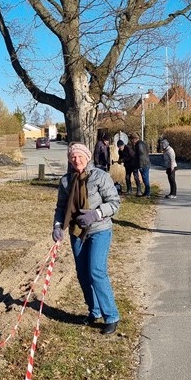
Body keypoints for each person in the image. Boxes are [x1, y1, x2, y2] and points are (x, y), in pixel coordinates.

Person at [53, 142, 121, 335]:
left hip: (100, 230)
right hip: (77, 232)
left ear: (87, 157)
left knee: (96, 271)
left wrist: (96, 214)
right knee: (83, 273)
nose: (77, 160)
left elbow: (115, 203)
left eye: (80, 156)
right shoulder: (65, 181)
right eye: (73, 157)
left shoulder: (100, 176)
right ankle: (94, 311)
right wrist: (57, 226)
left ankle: (111, 316)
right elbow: (61, 208)